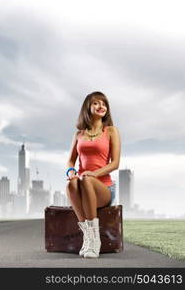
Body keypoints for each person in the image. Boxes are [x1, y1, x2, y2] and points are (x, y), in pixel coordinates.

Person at [65, 91, 121, 259]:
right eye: (96, 103)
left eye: (103, 104)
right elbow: (70, 161)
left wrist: (93, 174)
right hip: (82, 185)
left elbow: (115, 163)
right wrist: (71, 172)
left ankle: (95, 240)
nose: (101, 106)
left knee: (86, 179)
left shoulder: (111, 131)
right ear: (87, 108)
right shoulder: (79, 134)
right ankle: (88, 237)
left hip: (104, 188)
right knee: (70, 184)